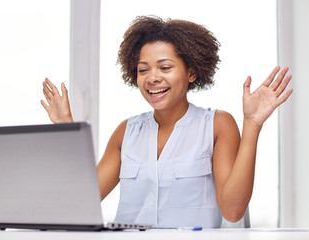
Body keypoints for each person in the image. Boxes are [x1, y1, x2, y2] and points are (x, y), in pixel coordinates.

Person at [41, 16, 293, 228]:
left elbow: (233, 210)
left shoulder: (217, 125)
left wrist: (252, 123)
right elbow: (81, 201)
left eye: (165, 67)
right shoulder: (126, 132)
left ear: (191, 72)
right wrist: (66, 129)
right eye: (143, 70)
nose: (152, 78)